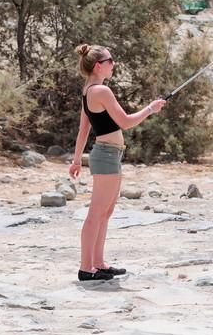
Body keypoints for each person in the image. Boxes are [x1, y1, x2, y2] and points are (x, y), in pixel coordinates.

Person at [69, 44, 166, 281]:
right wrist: (150, 109)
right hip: (106, 155)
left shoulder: (89, 90)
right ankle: (85, 268)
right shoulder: (101, 92)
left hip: (110, 155)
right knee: (96, 213)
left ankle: (98, 264)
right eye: (111, 61)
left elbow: (84, 129)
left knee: (106, 212)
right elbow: (125, 122)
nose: (114, 64)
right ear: (99, 66)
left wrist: (76, 160)